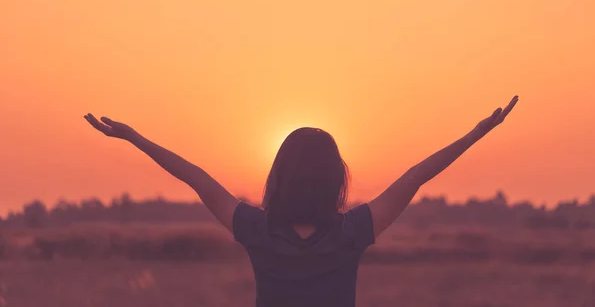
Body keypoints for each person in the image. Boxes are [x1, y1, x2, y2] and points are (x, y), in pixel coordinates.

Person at [84, 95, 518, 307]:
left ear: (279, 178)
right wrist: (476, 134)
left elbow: (195, 177)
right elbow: (417, 176)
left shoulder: (257, 231)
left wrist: (134, 138)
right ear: (335, 181)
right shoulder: (352, 232)